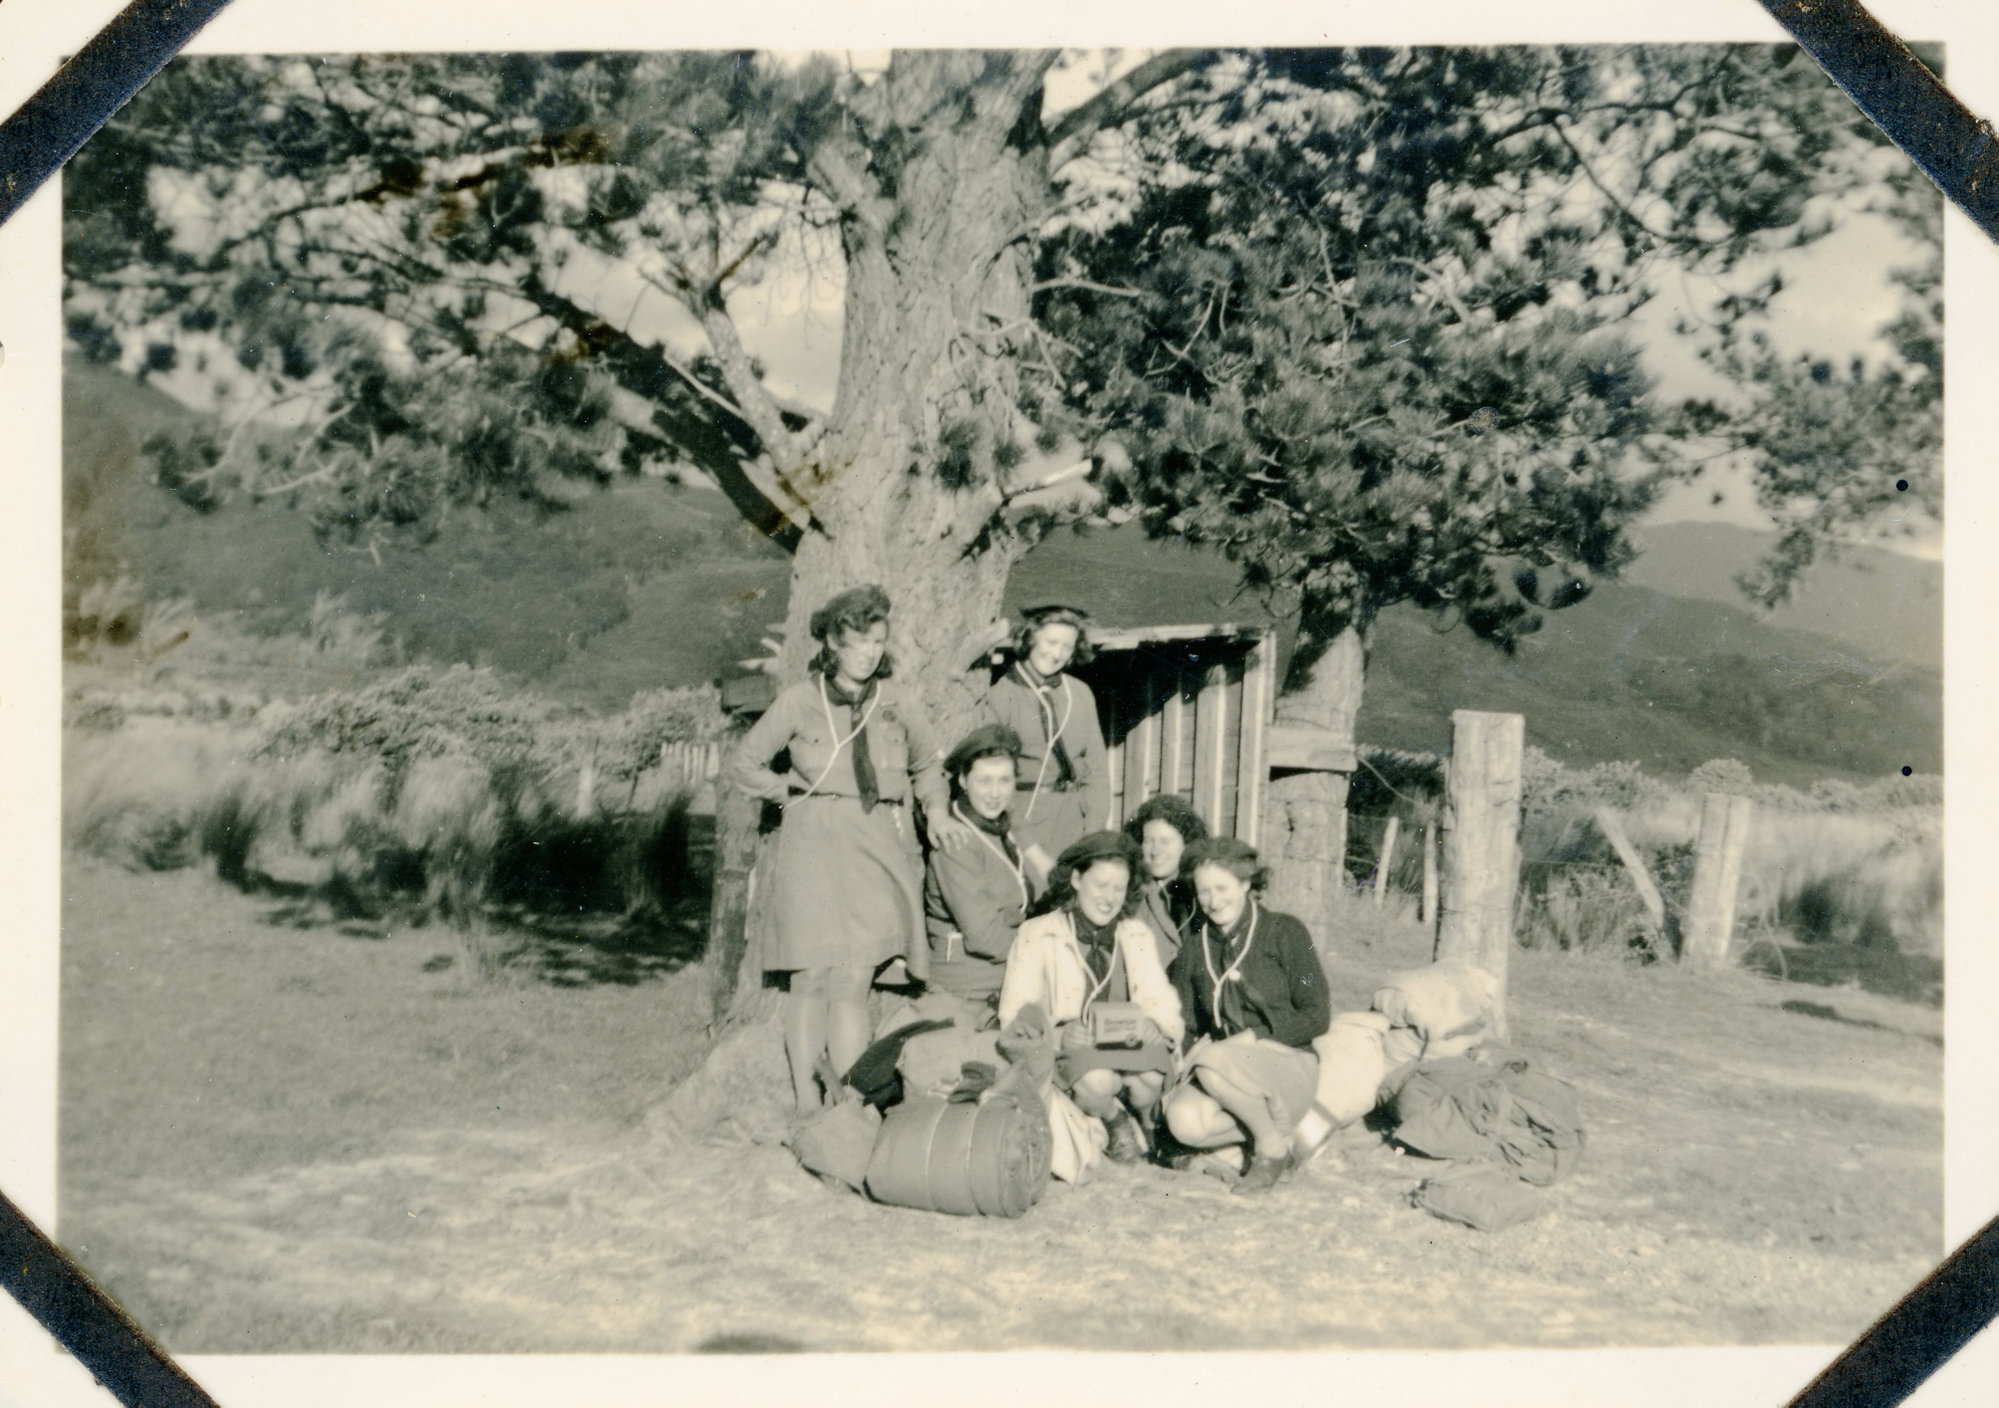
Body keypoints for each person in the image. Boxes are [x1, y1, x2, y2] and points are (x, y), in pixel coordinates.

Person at [729, 585, 975, 1113]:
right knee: (810, 976)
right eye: (859, 642)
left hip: (873, 840)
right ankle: (804, 1102)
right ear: (833, 645)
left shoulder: (897, 701)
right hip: (812, 840)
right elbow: (744, 763)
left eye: (878, 642)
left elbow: (928, 765)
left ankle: (847, 1101)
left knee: (853, 979)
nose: (869, 652)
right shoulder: (800, 699)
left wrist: (934, 810)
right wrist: (786, 791)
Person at [998, 832, 1183, 1180]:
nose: (1109, 898)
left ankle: (1146, 1121)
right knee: (1097, 1081)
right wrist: (1057, 1033)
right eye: (1100, 885)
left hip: (1126, 1044)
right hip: (1077, 1053)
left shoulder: (1135, 933)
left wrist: (1154, 1025)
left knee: (1151, 1078)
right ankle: (1115, 1120)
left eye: (1118, 888)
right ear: (1076, 879)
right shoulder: (1038, 933)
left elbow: (1161, 998)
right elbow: (1014, 1012)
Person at [1163, 837, 1332, 1194]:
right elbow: (1188, 1027)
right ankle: (1280, 1133)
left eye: (1223, 887)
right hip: (1226, 1074)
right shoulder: (1194, 950)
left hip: (1287, 1062)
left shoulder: (1287, 932)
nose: (1214, 900)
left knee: (1211, 1061)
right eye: (1204, 891)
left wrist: (1252, 1039)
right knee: (1182, 1121)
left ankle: (1271, 1148)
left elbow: (1317, 1015)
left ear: (1245, 883)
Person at [981, 605, 1109, 885]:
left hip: (1076, 821)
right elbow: (997, 783)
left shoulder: (1080, 693)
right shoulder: (1001, 697)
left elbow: (1097, 771)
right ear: (1030, 638)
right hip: (1024, 821)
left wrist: (1092, 834)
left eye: (1067, 646)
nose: (1056, 654)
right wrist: (1031, 849)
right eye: (1051, 642)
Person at [922, 723, 1039, 1015]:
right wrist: (1044, 952)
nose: (995, 793)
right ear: (963, 780)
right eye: (984, 781)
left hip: (1005, 970)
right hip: (970, 985)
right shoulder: (957, 840)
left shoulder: (1001, 828)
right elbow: (984, 935)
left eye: (1004, 781)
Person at [1121, 793, 1208, 971]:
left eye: (1165, 841)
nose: (1155, 851)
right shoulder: (1131, 895)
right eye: (1148, 841)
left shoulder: (1202, 892)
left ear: (1187, 844)